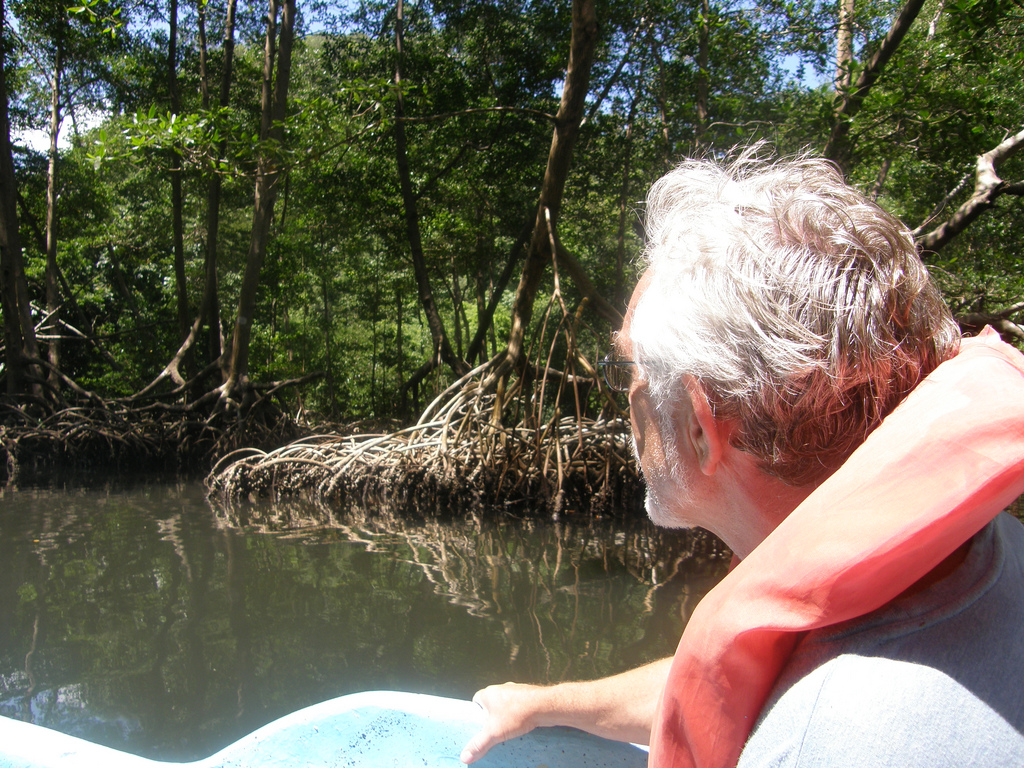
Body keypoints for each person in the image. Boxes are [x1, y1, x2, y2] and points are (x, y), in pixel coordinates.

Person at [459, 148, 1024, 767]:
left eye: (629, 373)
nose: (622, 396)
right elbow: (729, 681)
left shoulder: (823, 742)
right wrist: (546, 704)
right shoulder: (974, 547)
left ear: (702, 432)